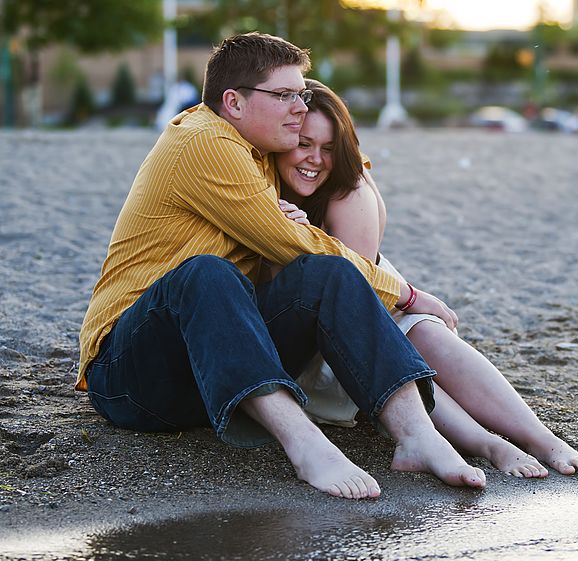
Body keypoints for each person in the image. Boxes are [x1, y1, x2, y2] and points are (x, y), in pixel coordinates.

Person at [77, 32, 487, 500]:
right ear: (233, 101)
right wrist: (407, 294)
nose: (299, 106)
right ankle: (306, 444)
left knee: (328, 272)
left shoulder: (267, 152)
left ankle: (417, 435)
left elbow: (347, 166)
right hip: (132, 377)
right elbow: (287, 241)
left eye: (302, 92)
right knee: (207, 272)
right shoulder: (202, 143)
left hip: (217, 374)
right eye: (284, 94)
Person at [273, 79, 578, 477]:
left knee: (423, 333)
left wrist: (407, 299)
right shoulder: (255, 184)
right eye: (304, 143)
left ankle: (539, 437)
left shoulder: (349, 192)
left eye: (327, 148)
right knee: (407, 349)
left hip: (360, 311)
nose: (315, 159)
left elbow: (354, 294)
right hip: (310, 340)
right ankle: (488, 444)